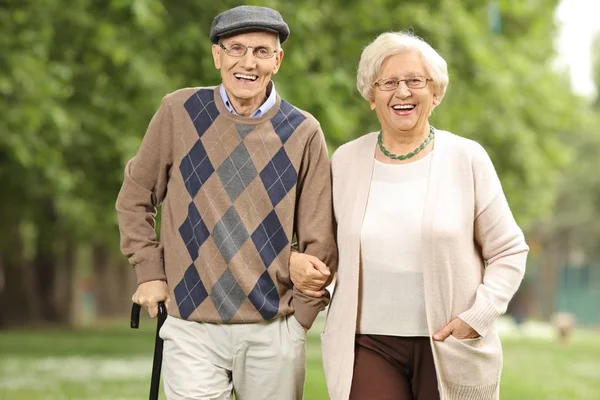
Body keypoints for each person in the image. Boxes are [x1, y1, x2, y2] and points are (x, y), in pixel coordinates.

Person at [291, 31, 529, 400]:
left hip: (448, 343)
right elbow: (317, 242)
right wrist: (297, 263)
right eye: (387, 82)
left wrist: (477, 317)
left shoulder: (467, 158)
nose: (402, 92)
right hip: (367, 344)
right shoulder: (345, 161)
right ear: (371, 96)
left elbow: (509, 251)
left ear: (435, 93)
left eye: (415, 81)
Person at [115, 5, 337, 399]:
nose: (247, 62)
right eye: (235, 49)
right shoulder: (179, 112)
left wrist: (300, 320)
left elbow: (320, 238)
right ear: (217, 55)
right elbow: (134, 197)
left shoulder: (304, 131)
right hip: (191, 327)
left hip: (273, 330)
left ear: (278, 60)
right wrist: (149, 272)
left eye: (261, 51)